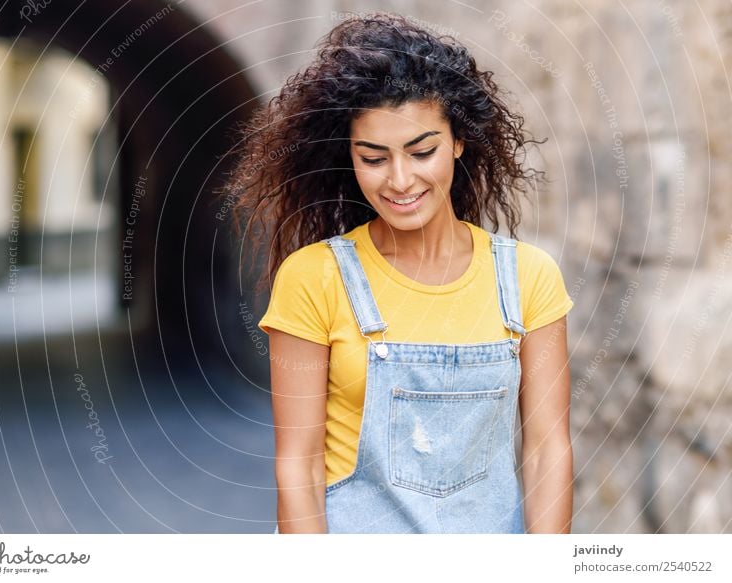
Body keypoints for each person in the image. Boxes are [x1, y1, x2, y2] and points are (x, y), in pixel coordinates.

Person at [220, 12, 574, 533]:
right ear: (350, 158)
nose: (401, 180)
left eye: (422, 151)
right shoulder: (314, 279)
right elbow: (299, 465)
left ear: (459, 142)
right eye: (374, 157)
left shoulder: (529, 278)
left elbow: (547, 450)